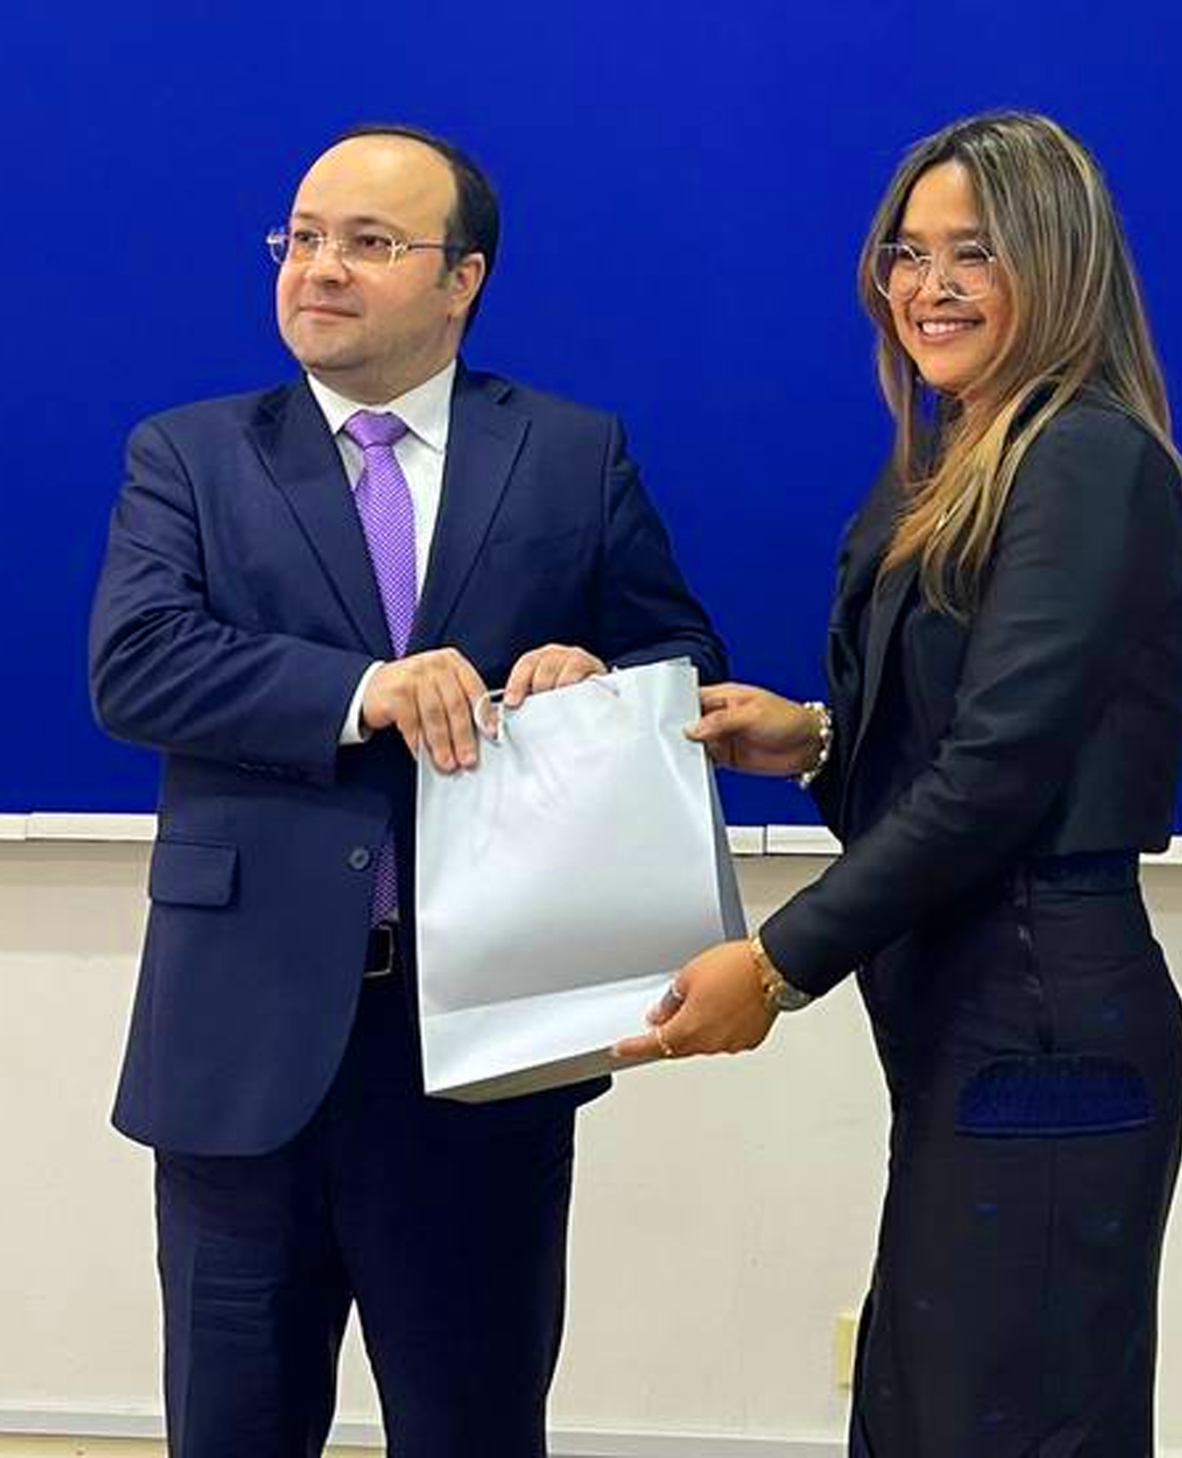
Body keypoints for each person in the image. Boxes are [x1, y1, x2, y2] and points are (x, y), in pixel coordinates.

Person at [90, 123, 725, 1458]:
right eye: (303, 237)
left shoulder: (568, 452)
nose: (320, 268)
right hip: (243, 1033)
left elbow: (682, 656)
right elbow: (137, 665)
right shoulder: (191, 454)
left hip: (480, 1039)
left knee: (473, 1425)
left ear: (461, 280)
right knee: (233, 1427)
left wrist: (596, 677)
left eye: (369, 243)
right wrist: (363, 690)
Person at [617, 111, 1182, 1455]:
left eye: (975, 253)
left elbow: (999, 777)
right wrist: (816, 740)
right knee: (924, 1414)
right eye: (909, 251)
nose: (928, 287)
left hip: (1043, 1015)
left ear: (1060, 264)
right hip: (968, 1011)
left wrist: (774, 965)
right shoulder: (950, 464)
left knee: (999, 1424)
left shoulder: (1083, 459)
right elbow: (965, 743)